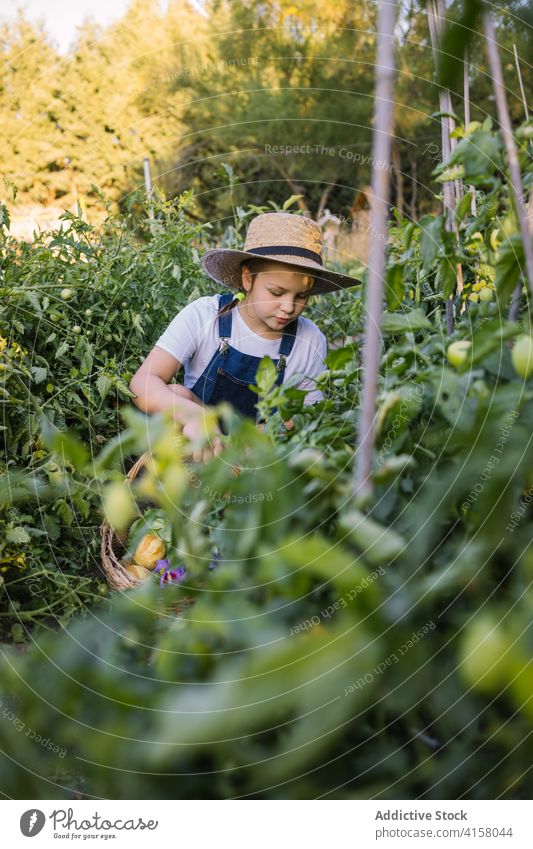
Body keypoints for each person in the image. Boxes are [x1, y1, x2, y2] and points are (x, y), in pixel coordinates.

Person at [129, 211, 360, 461]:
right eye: (276, 292)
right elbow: (142, 382)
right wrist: (196, 418)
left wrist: (251, 446)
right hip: (199, 448)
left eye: (301, 296)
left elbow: (307, 418)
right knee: (177, 395)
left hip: (261, 455)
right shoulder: (205, 316)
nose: (288, 306)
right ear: (248, 278)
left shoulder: (309, 340)